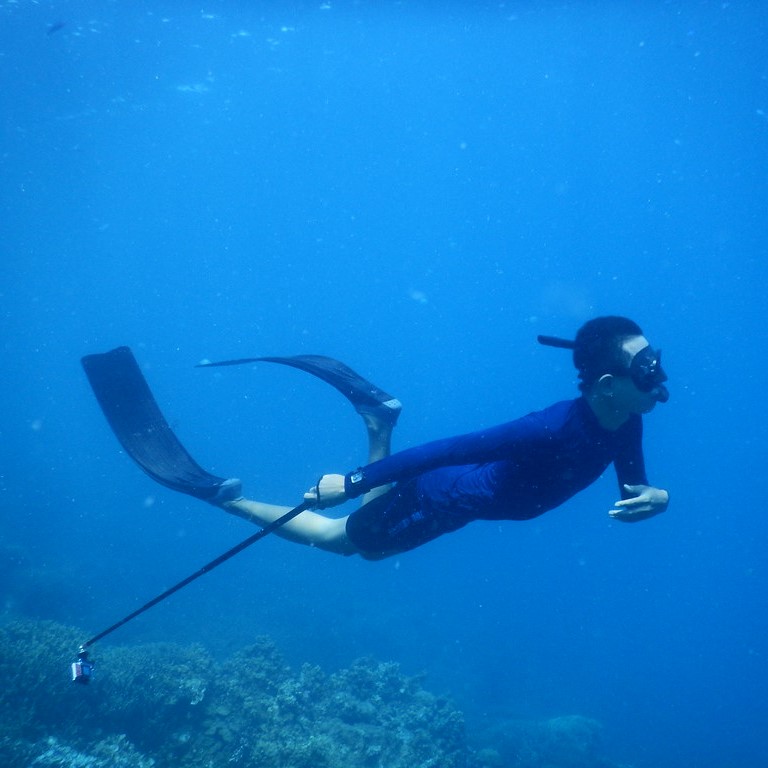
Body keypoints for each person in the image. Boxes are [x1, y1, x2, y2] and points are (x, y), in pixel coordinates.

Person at [219, 315, 669, 560]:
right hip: (443, 498)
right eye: (646, 369)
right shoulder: (548, 429)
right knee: (347, 543)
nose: (659, 378)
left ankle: (377, 422)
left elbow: (634, 487)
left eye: (655, 360)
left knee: (367, 541)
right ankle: (228, 501)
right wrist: (350, 483)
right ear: (608, 385)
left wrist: (656, 497)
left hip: (464, 499)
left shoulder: (628, 419)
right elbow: (447, 450)